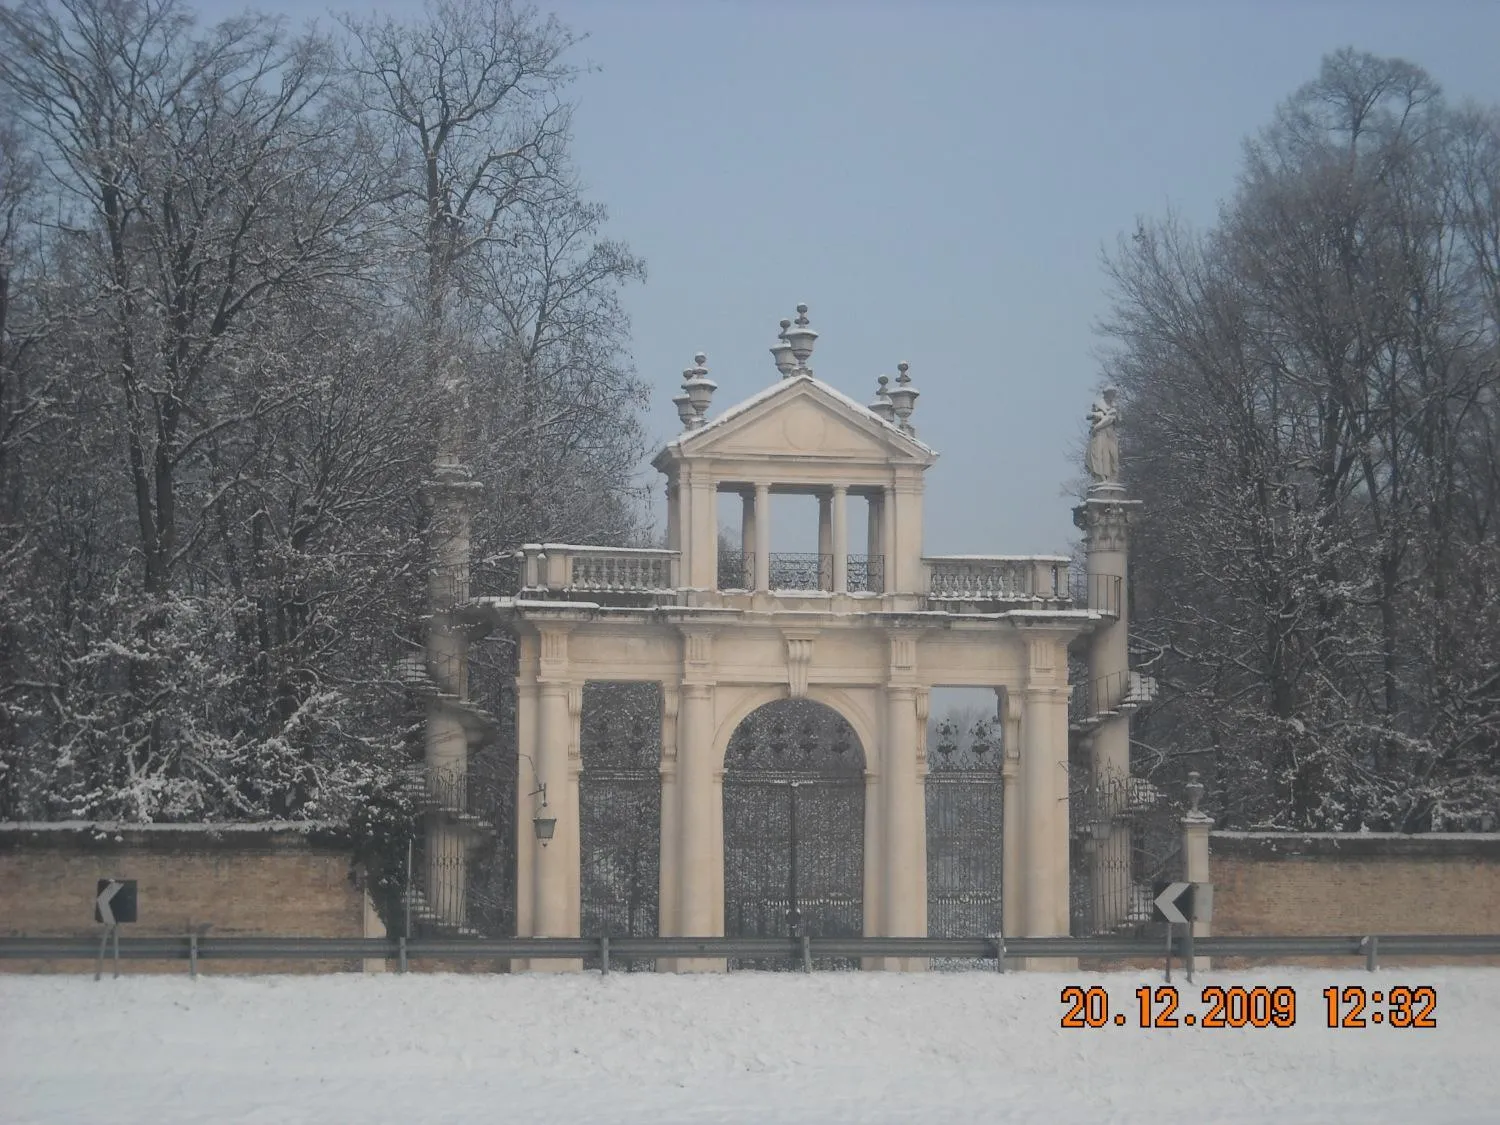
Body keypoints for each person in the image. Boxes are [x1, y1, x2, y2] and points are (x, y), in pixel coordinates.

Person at [1085, 387, 1120, 485]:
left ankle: (1112, 478)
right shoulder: (1098, 403)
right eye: (1111, 394)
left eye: (1113, 394)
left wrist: (1115, 417)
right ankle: (1100, 478)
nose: (1112, 396)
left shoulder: (1115, 406)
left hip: (1111, 434)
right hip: (1099, 433)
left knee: (1112, 456)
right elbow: (1088, 415)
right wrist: (1097, 415)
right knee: (1098, 454)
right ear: (1106, 394)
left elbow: (1119, 422)